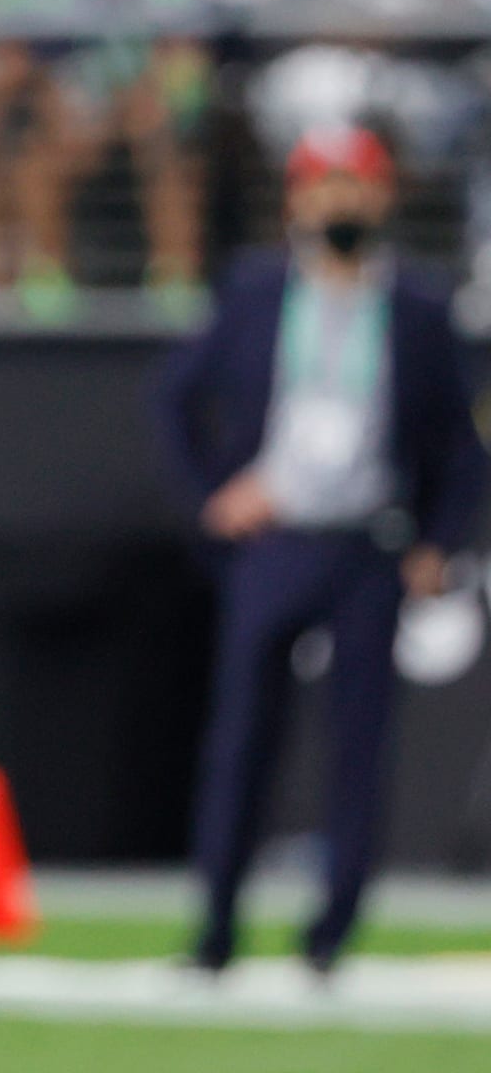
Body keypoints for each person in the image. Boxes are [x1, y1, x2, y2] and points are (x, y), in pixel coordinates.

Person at [159, 124, 487, 974]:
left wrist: (437, 544)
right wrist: (212, 499)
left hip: (369, 544)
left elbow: (460, 449)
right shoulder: (258, 291)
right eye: (326, 184)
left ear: (384, 196)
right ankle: (217, 925)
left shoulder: (415, 305)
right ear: (297, 199)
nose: (341, 202)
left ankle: (330, 933)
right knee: (242, 740)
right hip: (277, 540)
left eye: (357, 184)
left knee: (359, 744)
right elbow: (176, 398)